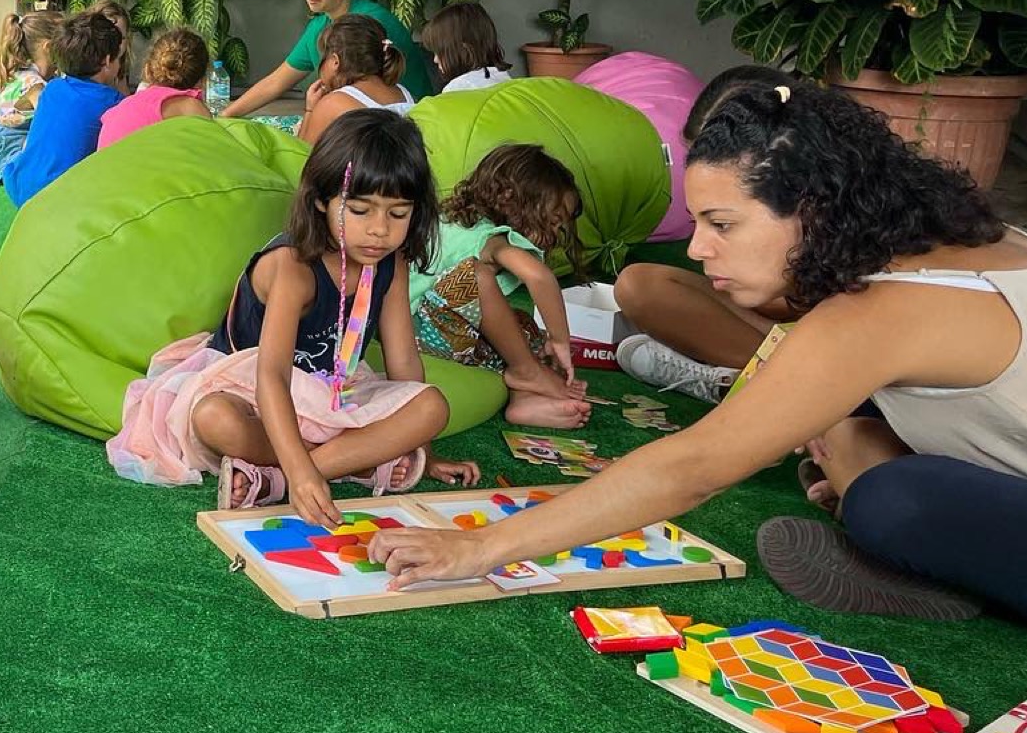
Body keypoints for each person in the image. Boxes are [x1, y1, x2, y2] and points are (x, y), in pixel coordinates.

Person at [367, 82, 1027, 631]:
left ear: (815, 207)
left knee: (887, 497)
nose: (695, 246)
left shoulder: (876, 316)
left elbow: (692, 467)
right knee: (851, 431)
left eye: (721, 224)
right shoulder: (967, 242)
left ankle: (924, 555)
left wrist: (478, 546)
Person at [107, 110, 481, 524]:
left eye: (397, 214)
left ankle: (278, 481)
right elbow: (271, 378)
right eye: (360, 210)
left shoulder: (392, 262)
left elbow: (404, 362)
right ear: (322, 199)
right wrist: (306, 472)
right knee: (215, 419)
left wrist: (424, 449)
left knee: (431, 406)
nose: (380, 230)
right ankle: (347, 464)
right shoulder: (293, 267)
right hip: (251, 389)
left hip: (334, 390)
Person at [612, 64, 800, 397]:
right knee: (637, 284)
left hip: (833, 343)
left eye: (722, 224)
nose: (695, 249)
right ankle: (756, 374)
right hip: (786, 332)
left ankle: (770, 381)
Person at [408, 144, 590, 429]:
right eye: (553, 222)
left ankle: (524, 398)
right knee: (477, 278)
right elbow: (539, 276)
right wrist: (559, 340)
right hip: (416, 331)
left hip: (433, 327)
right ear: (510, 200)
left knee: (521, 325)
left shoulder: (454, 221)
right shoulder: (491, 240)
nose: (555, 234)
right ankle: (527, 372)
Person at [221, 0, 433, 118]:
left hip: (405, 126)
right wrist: (224, 116)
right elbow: (276, 82)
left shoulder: (369, 24)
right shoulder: (320, 25)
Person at [1, 10, 126, 208]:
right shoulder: (112, 103)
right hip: (55, 197)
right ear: (108, 61)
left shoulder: (53, 87)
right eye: (120, 58)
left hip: (19, 183)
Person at [0, 8, 67, 184]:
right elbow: (49, 119)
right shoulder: (31, 84)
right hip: (5, 156)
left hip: (0, 150)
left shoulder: (29, 74)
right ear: (48, 48)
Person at [296, 15, 412, 144]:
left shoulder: (333, 103)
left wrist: (310, 110)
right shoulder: (404, 93)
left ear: (335, 61)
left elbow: (300, 155)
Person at [99, 26, 212, 150]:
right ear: (202, 80)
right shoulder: (190, 108)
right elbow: (213, 158)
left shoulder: (118, 110)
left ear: (148, 69)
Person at [422, 1, 513, 93]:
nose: (435, 60)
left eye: (440, 52)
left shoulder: (457, 89)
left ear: (465, 50)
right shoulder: (504, 78)